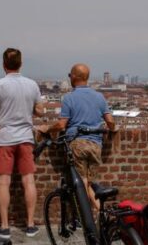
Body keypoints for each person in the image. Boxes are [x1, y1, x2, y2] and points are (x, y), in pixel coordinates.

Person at [0, 48, 43, 239]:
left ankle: (4, 227)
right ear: (21, 64)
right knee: (28, 180)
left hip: (4, 138)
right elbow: (40, 110)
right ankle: (30, 225)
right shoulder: (32, 85)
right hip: (26, 138)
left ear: (4, 65)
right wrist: (31, 111)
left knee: (3, 182)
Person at [39, 63, 115, 210]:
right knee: (89, 183)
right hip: (96, 145)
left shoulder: (69, 98)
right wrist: (111, 130)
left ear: (74, 77)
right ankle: (100, 215)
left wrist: (47, 128)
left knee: (82, 184)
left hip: (77, 144)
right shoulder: (99, 97)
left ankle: (94, 217)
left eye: (70, 75)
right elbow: (111, 122)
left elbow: (61, 125)